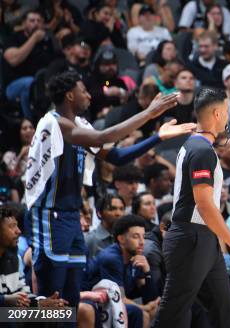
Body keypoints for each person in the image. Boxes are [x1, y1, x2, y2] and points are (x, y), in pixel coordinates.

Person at [25, 71, 194, 312]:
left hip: (71, 217)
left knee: (71, 295)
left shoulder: (80, 125)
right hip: (51, 215)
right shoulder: (57, 123)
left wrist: (158, 137)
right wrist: (148, 113)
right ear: (70, 95)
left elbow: (116, 156)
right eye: (84, 91)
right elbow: (104, 135)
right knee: (51, 297)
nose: (89, 96)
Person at [153, 86, 230, 328]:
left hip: (203, 237)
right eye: (227, 111)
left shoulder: (195, 145)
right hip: (190, 236)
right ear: (218, 114)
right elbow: (205, 204)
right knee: (173, 314)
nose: (228, 117)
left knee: (225, 312)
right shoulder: (201, 150)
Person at [86, 214, 160, 328]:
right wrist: (144, 308)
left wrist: (147, 272)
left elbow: (150, 298)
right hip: (90, 303)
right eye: (136, 236)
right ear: (121, 239)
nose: (142, 242)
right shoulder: (111, 258)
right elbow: (118, 299)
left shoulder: (136, 257)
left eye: (143, 236)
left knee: (152, 312)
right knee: (142, 314)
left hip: (110, 305)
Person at [3, 9, 58, 120]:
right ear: (24, 24)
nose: (36, 24)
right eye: (32, 21)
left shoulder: (47, 42)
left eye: (39, 21)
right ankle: (30, 121)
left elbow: (57, 62)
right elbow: (13, 60)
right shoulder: (14, 38)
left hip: (42, 83)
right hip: (14, 86)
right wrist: (34, 39)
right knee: (31, 83)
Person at [86, 194, 126, 258]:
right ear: (99, 213)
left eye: (122, 209)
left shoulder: (128, 239)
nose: (118, 213)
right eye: (112, 209)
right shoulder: (90, 240)